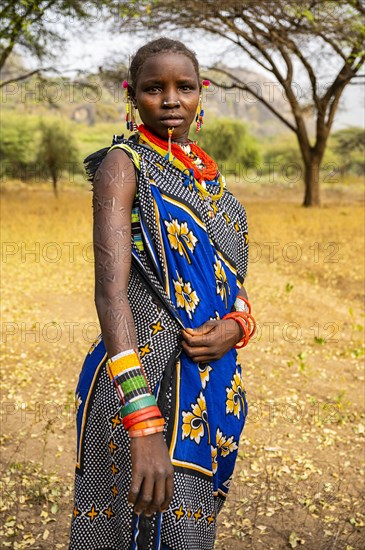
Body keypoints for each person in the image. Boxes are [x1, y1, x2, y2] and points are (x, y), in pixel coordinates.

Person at [70, 37, 255, 550]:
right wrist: (144, 419)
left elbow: (234, 293)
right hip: (138, 386)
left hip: (208, 390)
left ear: (202, 94)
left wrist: (236, 329)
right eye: (154, 88)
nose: (170, 100)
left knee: (186, 532)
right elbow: (110, 294)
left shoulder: (222, 196)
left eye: (184, 87)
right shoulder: (122, 166)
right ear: (133, 97)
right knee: (121, 529)